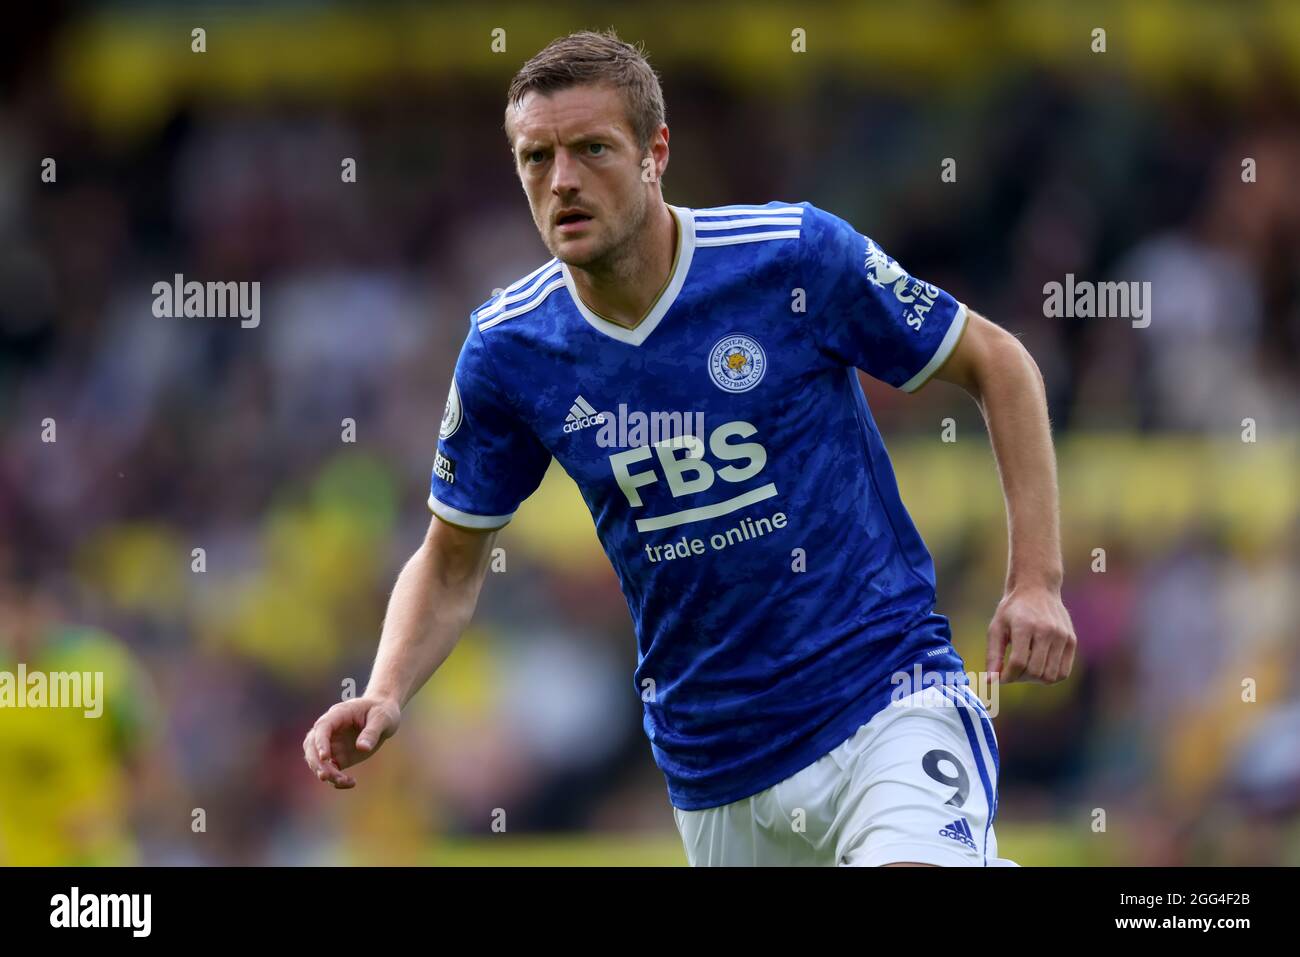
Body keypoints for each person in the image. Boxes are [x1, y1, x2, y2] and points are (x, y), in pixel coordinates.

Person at [303, 29, 1076, 867]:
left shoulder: (790, 257)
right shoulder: (511, 349)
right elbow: (451, 562)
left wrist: (1034, 580)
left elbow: (999, 362)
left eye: (592, 149)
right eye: (536, 158)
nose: (561, 180)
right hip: (715, 773)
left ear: (654, 153)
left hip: (885, 699)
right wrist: (384, 690)